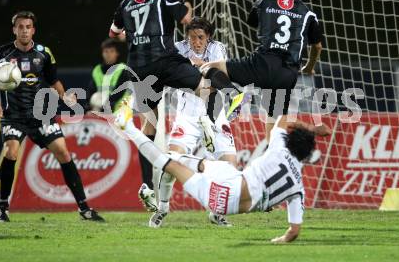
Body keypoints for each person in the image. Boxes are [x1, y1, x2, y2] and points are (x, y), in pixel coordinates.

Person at [108, 0, 247, 211]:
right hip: (164, 60)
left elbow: (113, 33)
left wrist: (137, 36)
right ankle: (220, 108)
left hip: (138, 68)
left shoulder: (126, 2)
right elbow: (186, 18)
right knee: (205, 84)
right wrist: (184, 1)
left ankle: (145, 186)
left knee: (148, 125)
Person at [114, 96, 331, 243]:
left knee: (170, 161)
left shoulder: (279, 146)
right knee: (174, 163)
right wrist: (278, 241)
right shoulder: (299, 189)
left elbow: (284, 121)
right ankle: (209, 138)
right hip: (221, 203)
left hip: (231, 181)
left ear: (291, 141)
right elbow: (293, 232)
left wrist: (312, 130)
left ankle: (130, 128)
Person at [0, 11, 104, 222]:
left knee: (63, 152)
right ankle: (2, 208)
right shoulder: (2, 53)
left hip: (41, 115)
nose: (24, 30)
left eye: (28, 27)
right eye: (20, 27)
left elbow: (53, 81)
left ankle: (84, 208)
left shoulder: (43, 53)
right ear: (14, 30)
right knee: (11, 152)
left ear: (33, 30)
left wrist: (65, 97)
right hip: (14, 116)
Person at [201, 0, 323, 141]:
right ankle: (271, 156)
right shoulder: (308, 13)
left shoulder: (263, 3)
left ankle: (234, 94)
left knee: (207, 67)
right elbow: (317, 47)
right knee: (274, 124)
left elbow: (253, 22)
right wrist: (308, 67)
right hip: (287, 75)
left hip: (261, 65)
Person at [150, 17, 237, 228]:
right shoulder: (178, 48)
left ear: (208, 37)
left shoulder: (218, 49)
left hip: (215, 113)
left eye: (200, 38)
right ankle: (162, 208)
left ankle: (216, 213)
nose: (195, 42)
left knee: (231, 167)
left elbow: (217, 77)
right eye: (192, 38)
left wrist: (195, 65)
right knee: (171, 161)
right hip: (187, 115)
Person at [86, 38, 129, 113]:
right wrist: (89, 108)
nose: (108, 54)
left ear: (117, 53)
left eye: (112, 51)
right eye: (106, 51)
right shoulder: (97, 70)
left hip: (121, 112)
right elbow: (91, 92)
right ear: (102, 53)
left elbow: (118, 94)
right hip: (102, 111)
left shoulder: (123, 69)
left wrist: (102, 108)